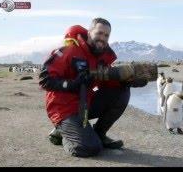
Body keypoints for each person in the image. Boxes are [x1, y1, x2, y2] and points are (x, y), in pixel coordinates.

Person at [39, 18, 147, 157]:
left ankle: (99, 133)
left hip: (85, 103)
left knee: (122, 92)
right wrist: (73, 84)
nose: (103, 38)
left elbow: (105, 82)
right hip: (64, 109)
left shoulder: (102, 57)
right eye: (99, 33)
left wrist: (128, 81)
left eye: (106, 35)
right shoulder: (69, 50)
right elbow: (45, 79)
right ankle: (64, 133)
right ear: (89, 32)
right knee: (89, 148)